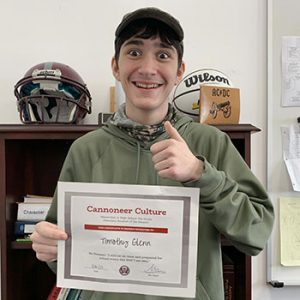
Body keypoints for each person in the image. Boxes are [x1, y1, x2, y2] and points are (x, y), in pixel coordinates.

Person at [30, 7, 274, 300]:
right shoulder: (86, 150)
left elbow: (257, 233)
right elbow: (65, 251)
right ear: (116, 67)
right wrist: (50, 248)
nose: (147, 68)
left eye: (163, 55)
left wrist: (201, 174)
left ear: (179, 71)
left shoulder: (211, 143)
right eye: (134, 52)